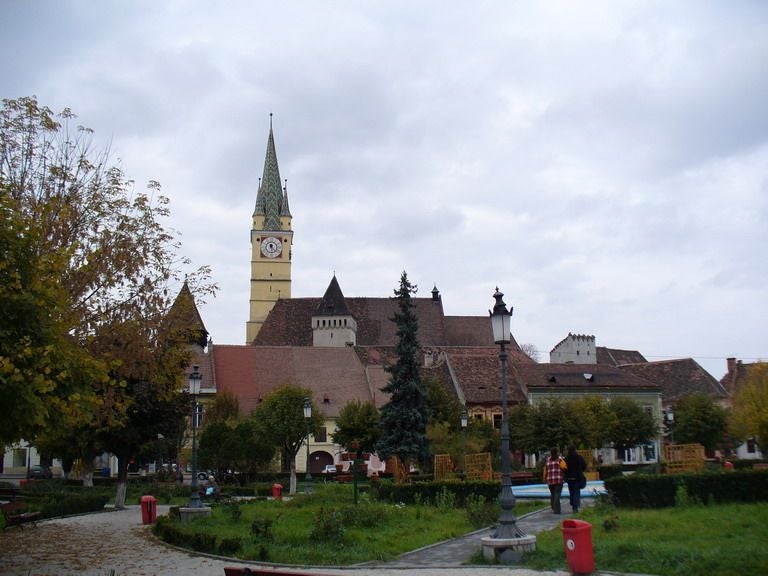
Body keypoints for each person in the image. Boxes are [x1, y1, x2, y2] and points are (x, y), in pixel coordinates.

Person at [565, 445, 587, 513]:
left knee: (571, 492)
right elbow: (584, 466)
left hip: (569, 478)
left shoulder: (566, 459)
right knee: (576, 492)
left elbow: (564, 468)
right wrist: (581, 471)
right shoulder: (579, 457)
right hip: (577, 477)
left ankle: (573, 503)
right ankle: (575, 506)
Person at [543, 447, 566, 514]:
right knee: (557, 495)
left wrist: (545, 478)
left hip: (550, 480)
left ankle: (553, 507)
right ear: (557, 452)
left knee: (553, 494)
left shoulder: (548, 460)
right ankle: (557, 510)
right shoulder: (560, 459)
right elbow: (564, 468)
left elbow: (546, 470)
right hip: (558, 480)